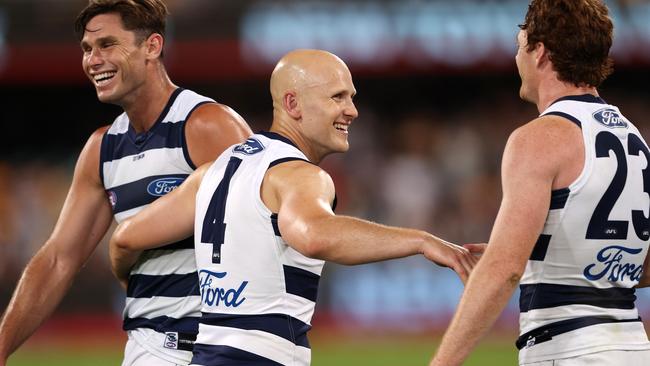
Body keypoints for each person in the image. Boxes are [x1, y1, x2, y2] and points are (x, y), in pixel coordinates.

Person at [109, 49, 483, 366]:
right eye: (338, 97)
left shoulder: (214, 171)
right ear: (293, 104)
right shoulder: (299, 175)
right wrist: (420, 240)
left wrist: (134, 283)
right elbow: (314, 235)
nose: (352, 111)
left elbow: (125, 240)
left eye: (351, 97)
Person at [0, 1, 252, 365]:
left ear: (152, 46)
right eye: (87, 49)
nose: (92, 60)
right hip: (146, 348)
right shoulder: (102, 150)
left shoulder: (206, 125)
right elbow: (58, 259)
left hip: (214, 347)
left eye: (107, 45)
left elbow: (263, 226)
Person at [430, 1, 650, 365]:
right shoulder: (635, 140)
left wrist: (443, 362)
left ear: (541, 52)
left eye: (520, 46)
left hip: (569, 348)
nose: (517, 58)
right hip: (631, 346)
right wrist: (546, 256)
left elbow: (504, 270)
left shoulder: (538, 138)